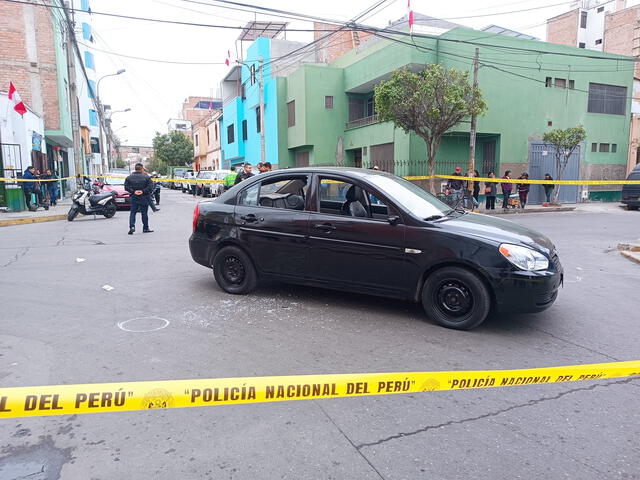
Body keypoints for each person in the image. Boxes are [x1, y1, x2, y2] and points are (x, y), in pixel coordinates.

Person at [124, 163, 154, 235]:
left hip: (134, 197)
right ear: (141, 169)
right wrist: (142, 191)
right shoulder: (146, 177)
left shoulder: (129, 178)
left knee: (133, 212)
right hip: (144, 197)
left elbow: (126, 187)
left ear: (135, 168)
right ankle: (145, 228)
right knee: (144, 213)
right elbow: (150, 187)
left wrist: (133, 191)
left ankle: (132, 227)